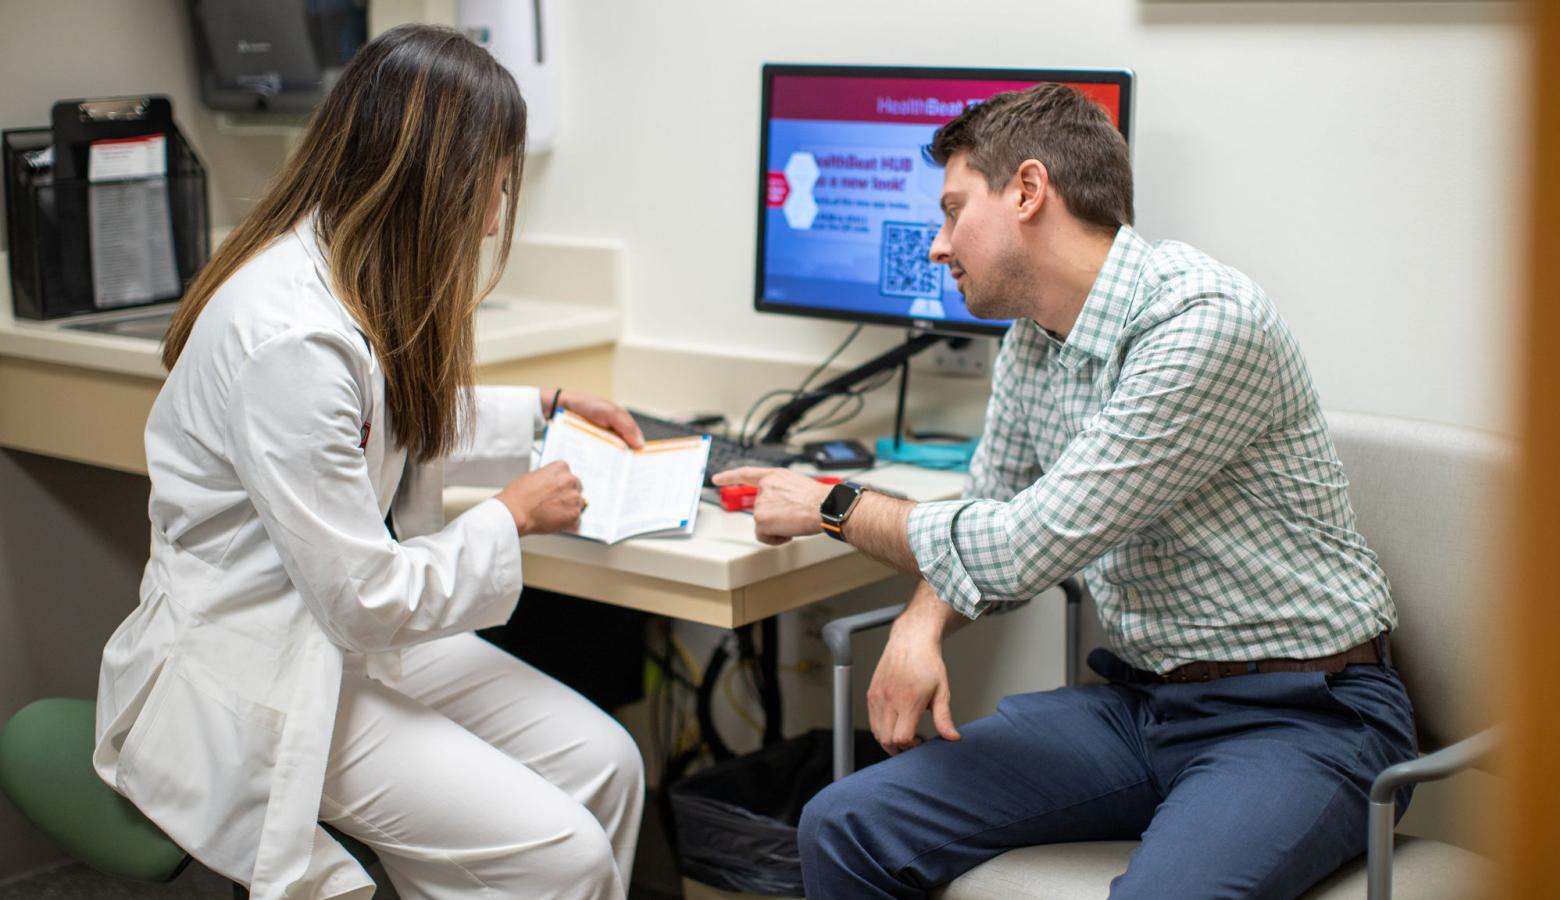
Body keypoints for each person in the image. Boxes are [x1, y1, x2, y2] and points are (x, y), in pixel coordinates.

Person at [714, 83, 1418, 899]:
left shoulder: (1202, 321)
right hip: (1142, 707)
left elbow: (1017, 550)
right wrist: (918, 624)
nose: (938, 246)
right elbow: (990, 508)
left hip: (1303, 716)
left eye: (950, 211)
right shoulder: (1034, 339)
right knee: (844, 824)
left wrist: (833, 504)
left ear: (1028, 190)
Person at [93, 25, 645, 900]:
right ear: (442, 181)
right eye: (497, 182)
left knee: (606, 763)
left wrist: (544, 413)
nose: (499, 210)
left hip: (330, 634)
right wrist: (511, 514)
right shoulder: (292, 335)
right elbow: (365, 599)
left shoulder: (349, 272)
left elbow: (380, 425)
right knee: (560, 857)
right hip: (267, 663)